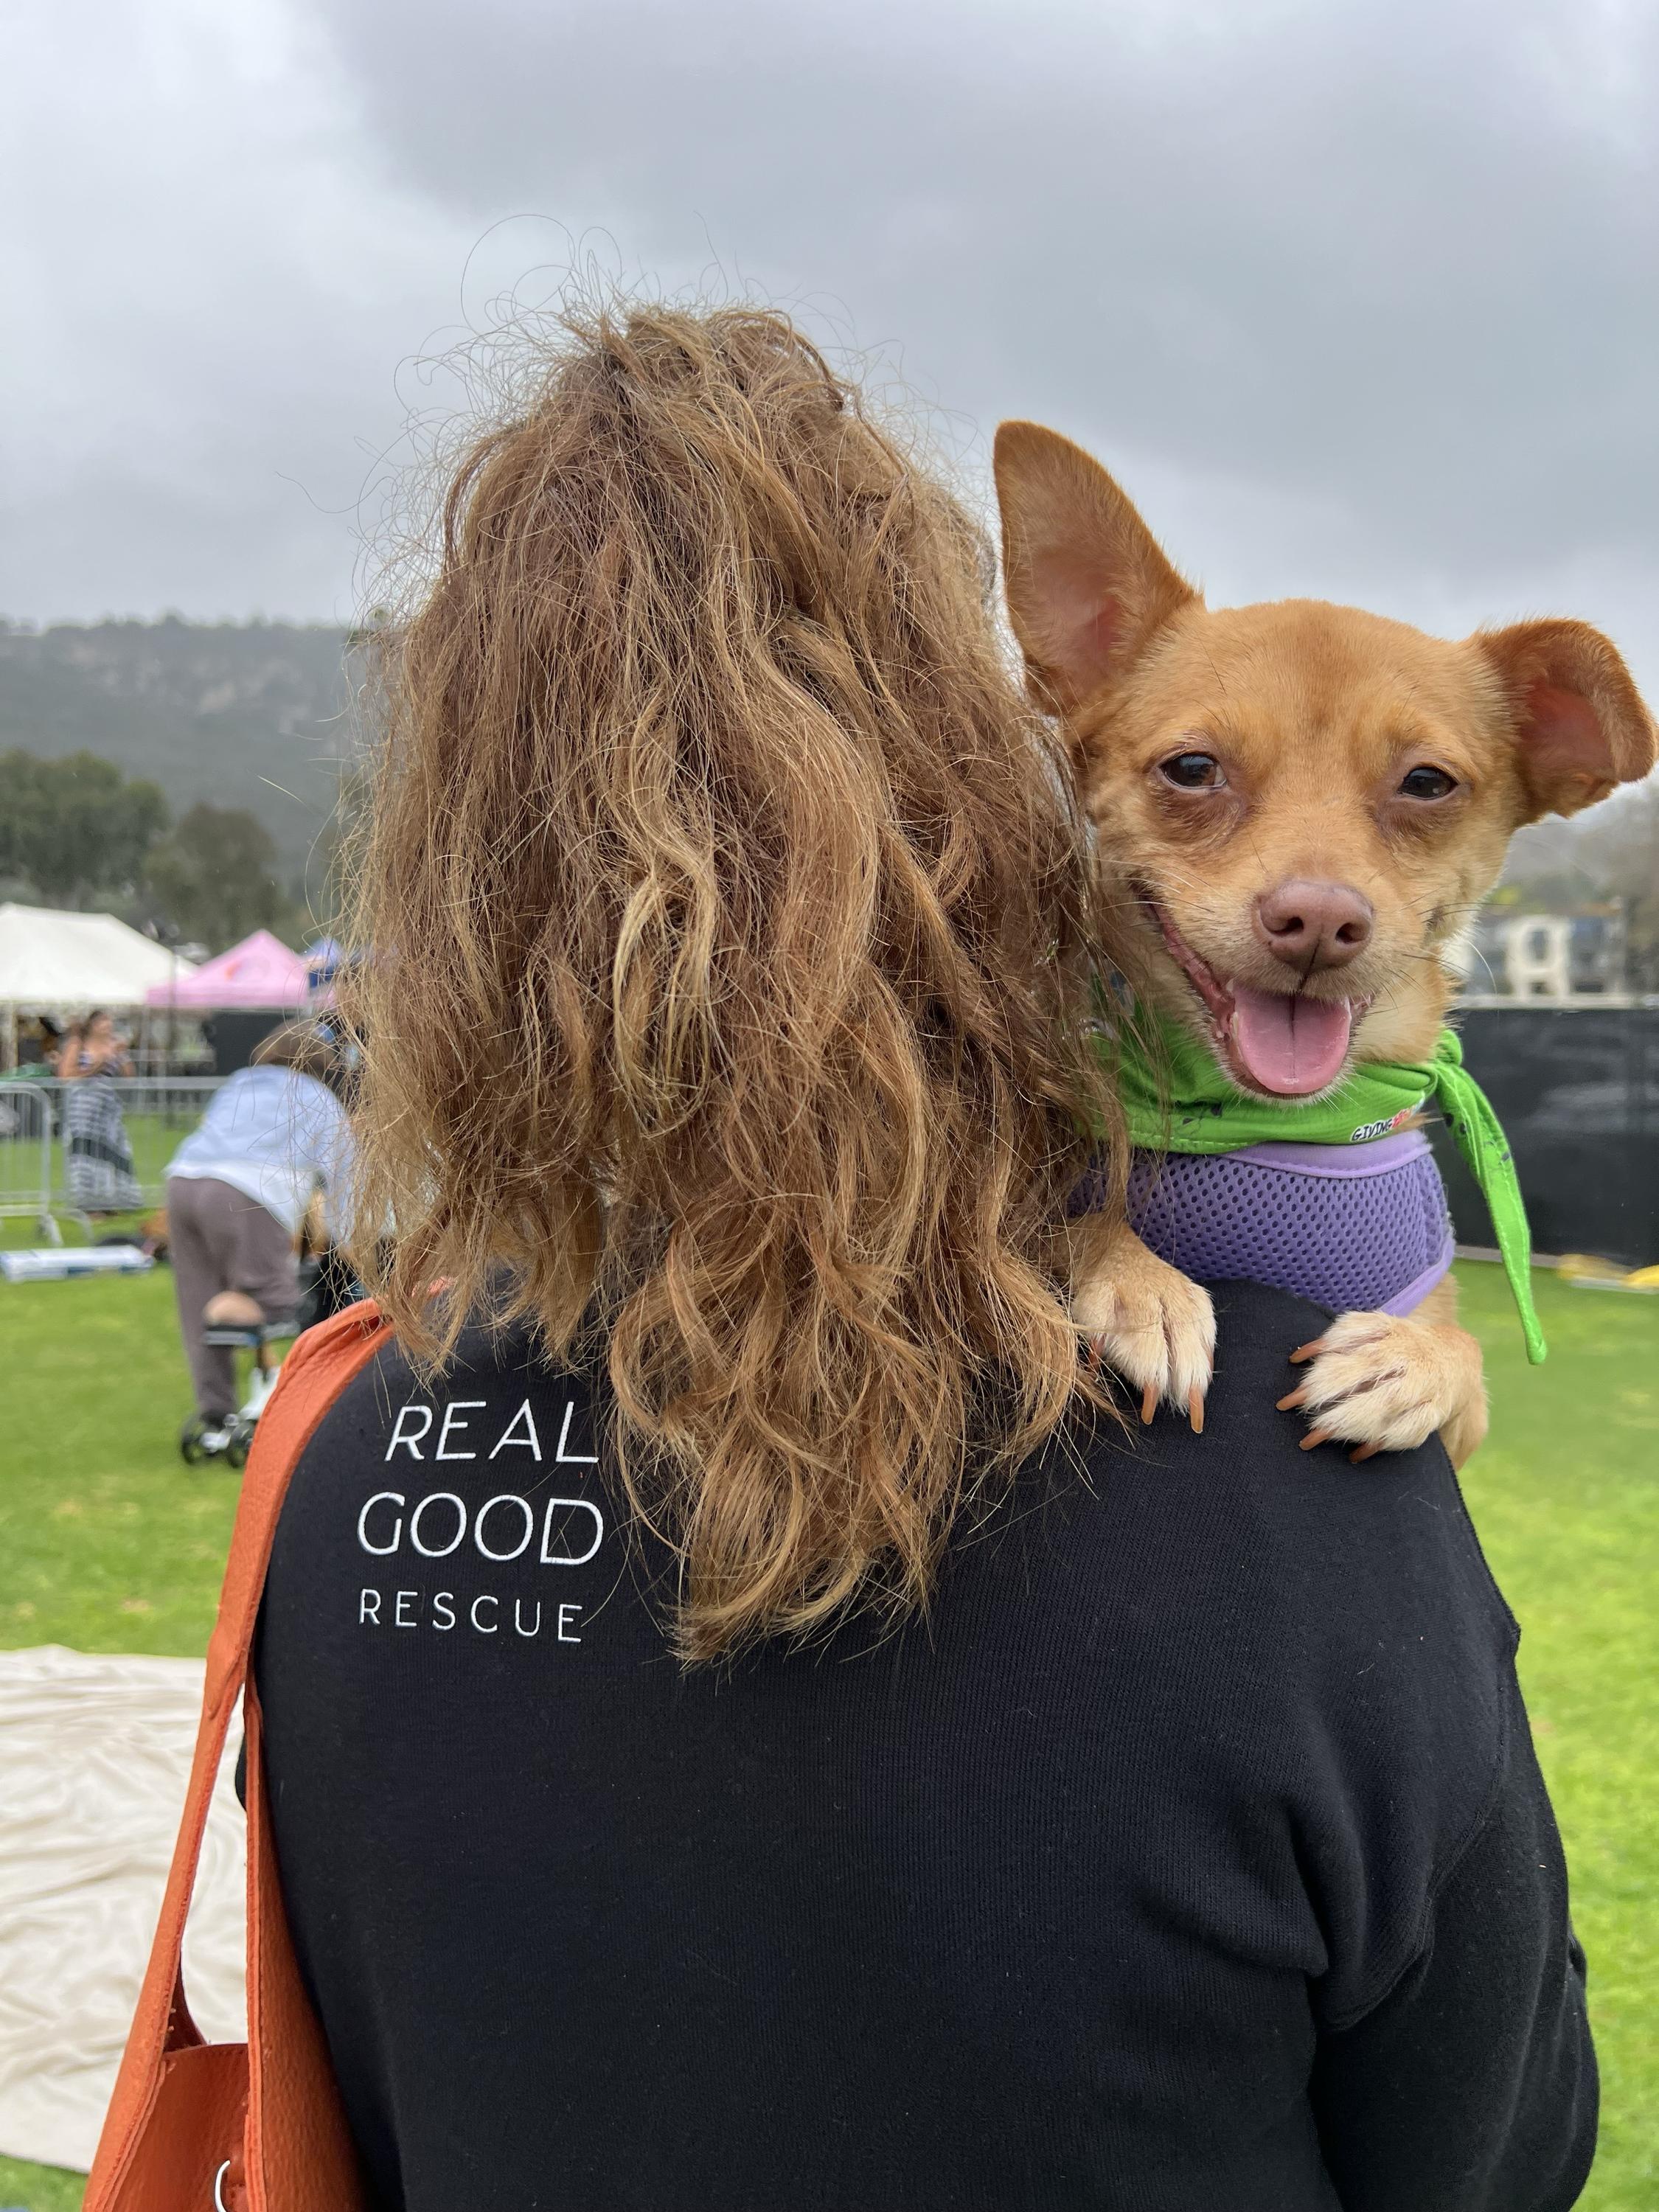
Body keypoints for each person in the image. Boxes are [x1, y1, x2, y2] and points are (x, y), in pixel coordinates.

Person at [251, 307, 1595, 2210]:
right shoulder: (1302, 1492)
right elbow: (1501, 2150)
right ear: (983, 792)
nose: (1311, 884)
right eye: (1191, 776)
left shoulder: (348, 1463)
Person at [163, 1021, 354, 1430]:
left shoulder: (238, 1082)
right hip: (247, 1192)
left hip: (183, 1180)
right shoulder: (316, 1097)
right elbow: (344, 1175)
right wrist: (346, 1241)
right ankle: (276, 1397)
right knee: (279, 1302)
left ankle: (216, 1411)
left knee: (196, 1300)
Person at [55, 1008, 139, 1214]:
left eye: (110, 1021)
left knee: (114, 1151)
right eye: (103, 1021)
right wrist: (95, 1067)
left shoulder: (114, 1044)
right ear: (92, 1024)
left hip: (109, 1111)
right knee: (87, 1155)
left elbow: (130, 1079)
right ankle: (87, 1204)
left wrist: (122, 1057)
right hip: (82, 1112)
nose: (109, 1025)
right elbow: (65, 1075)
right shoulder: (78, 1044)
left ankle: (113, 1200)